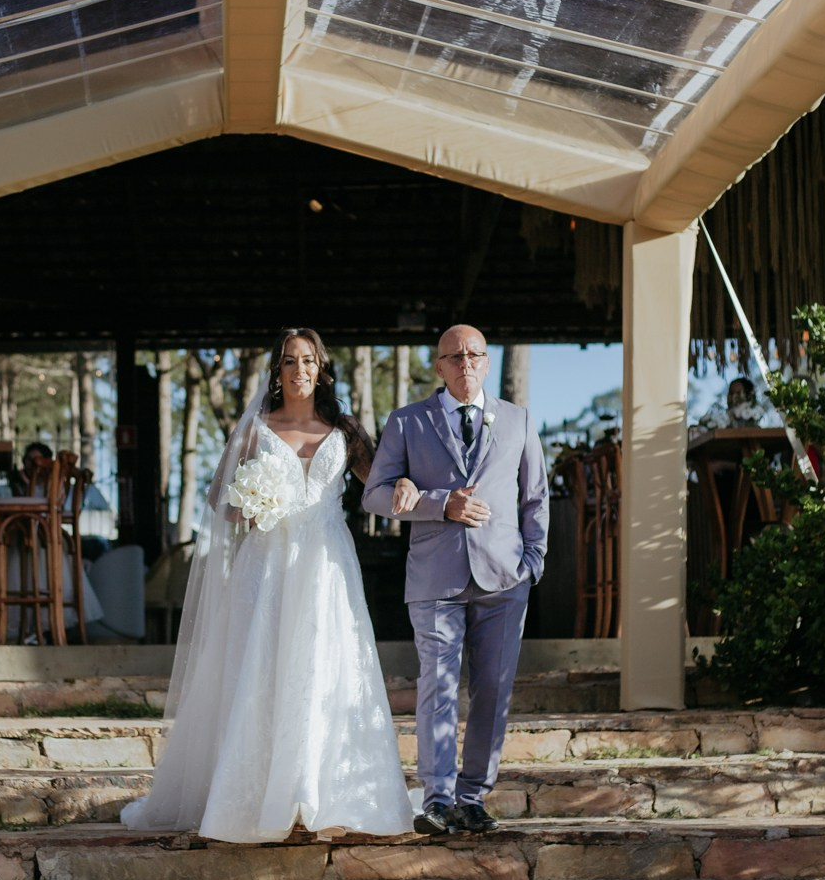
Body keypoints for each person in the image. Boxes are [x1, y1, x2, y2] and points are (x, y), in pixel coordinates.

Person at [121, 328, 413, 843]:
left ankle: (323, 793)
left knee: (326, 666)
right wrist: (253, 505)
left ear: (322, 369)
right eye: (288, 362)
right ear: (276, 373)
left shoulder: (344, 429)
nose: (299, 370)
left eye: (308, 361)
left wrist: (410, 483)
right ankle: (259, 795)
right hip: (269, 563)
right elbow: (219, 497)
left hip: (325, 562)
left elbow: (381, 483)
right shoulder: (257, 428)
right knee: (264, 665)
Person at [363, 324, 548, 838]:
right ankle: (438, 798)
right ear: (439, 367)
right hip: (435, 580)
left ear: (487, 363)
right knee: (438, 687)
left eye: (474, 354)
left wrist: (532, 562)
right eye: (454, 356)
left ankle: (473, 797)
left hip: (504, 578)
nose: (465, 363)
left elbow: (535, 497)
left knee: (492, 688)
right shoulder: (407, 423)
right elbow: (374, 495)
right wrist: (440, 503)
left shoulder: (519, 419)